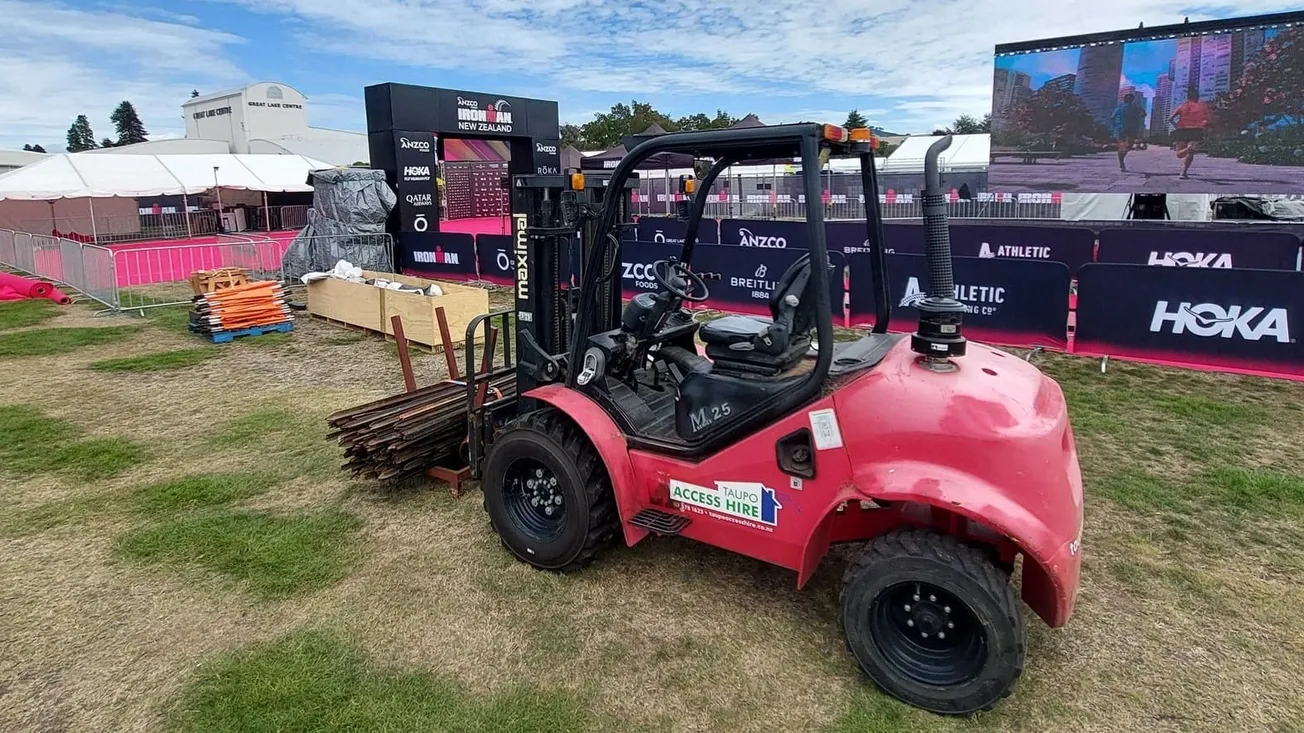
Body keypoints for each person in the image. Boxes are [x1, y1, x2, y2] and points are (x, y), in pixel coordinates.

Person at [1169, 88, 1212, 180]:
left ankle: (1188, 150)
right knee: (1190, 152)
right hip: (1196, 131)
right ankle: (1183, 172)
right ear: (1197, 97)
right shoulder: (1202, 107)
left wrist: (1176, 125)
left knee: (1179, 154)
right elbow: (1208, 119)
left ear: (1188, 97)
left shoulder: (1182, 106)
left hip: (1181, 130)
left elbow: (1170, 119)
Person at [1111, 93, 1147, 172]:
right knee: (1123, 146)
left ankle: (1121, 159)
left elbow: (1144, 114)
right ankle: (1121, 162)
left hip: (1131, 130)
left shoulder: (1136, 107)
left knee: (1128, 146)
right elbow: (1112, 117)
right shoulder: (1119, 107)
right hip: (1121, 130)